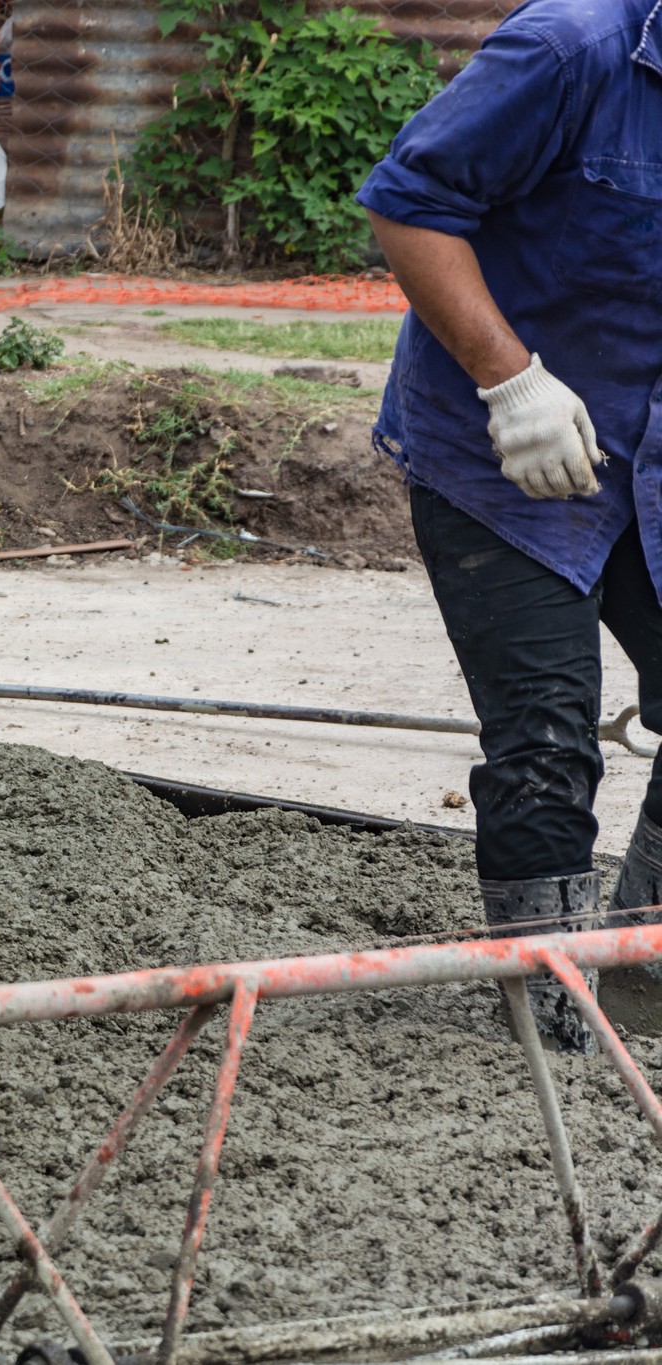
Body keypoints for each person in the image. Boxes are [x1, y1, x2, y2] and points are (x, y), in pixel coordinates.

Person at [357, 0, 662, 1053]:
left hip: (648, 453)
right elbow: (407, 205)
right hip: (505, 449)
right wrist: (508, 379)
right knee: (544, 729)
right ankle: (545, 1020)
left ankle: (639, 979)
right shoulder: (567, 49)